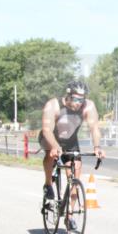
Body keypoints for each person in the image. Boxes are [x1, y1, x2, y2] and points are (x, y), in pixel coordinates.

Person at [40, 81, 105, 213]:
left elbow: (94, 128)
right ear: (68, 95)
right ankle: (48, 184)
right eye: (75, 99)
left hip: (70, 140)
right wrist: (54, 147)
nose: (78, 103)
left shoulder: (88, 106)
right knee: (50, 154)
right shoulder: (53, 105)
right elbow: (46, 130)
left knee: (75, 173)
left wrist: (97, 146)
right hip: (50, 137)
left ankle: (70, 214)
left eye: (81, 100)